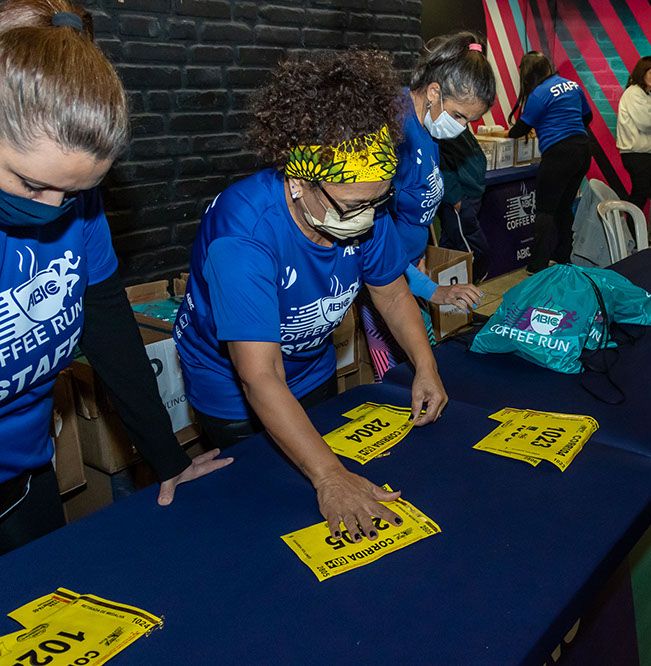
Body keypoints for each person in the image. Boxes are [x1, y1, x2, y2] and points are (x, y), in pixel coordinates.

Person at [173, 50, 449, 542]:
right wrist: (329, 476)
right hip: (234, 390)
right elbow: (258, 377)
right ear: (300, 182)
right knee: (267, 516)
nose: (366, 218)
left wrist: (425, 367)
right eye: (353, 205)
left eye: (377, 202)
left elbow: (390, 293)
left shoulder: (362, 201)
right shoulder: (244, 236)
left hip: (311, 365)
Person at [0, 0, 228, 555]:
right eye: (32, 186)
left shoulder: (78, 204)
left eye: (72, 192)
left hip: (25, 475)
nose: (54, 208)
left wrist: (166, 457)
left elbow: (109, 332)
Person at [362, 31, 495, 380]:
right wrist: (429, 289)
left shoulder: (428, 129)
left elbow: (413, 208)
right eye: (460, 116)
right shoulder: (396, 132)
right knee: (401, 383)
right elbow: (376, 241)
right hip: (387, 284)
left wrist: (419, 262)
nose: (463, 128)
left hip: (408, 273)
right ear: (434, 92)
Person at [507, 51, 593, 274]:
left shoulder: (539, 94)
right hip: (582, 151)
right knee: (564, 206)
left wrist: (505, 135)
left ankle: (537, 264)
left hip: (558, 155)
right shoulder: (572, 85)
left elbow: (519, 130)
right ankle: (564, 254)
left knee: (545, 211)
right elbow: (587, 117)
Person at [616, 55, 651, 215]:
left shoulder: (649, 95)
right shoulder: (634, 93)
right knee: (639, 196)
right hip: (637, 154)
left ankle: (632, 234)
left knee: (641, 197)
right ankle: (628, 234)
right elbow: (648, 123)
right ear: (643, 72)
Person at [435, 125, 490, 283]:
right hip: (459, 195)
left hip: (469, 191)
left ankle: (447, 292)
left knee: (451, 244)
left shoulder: (455, 121)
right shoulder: (437, 125)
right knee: (471, 247)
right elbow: (440, 165)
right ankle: (470, 281)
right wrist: (455, 197)